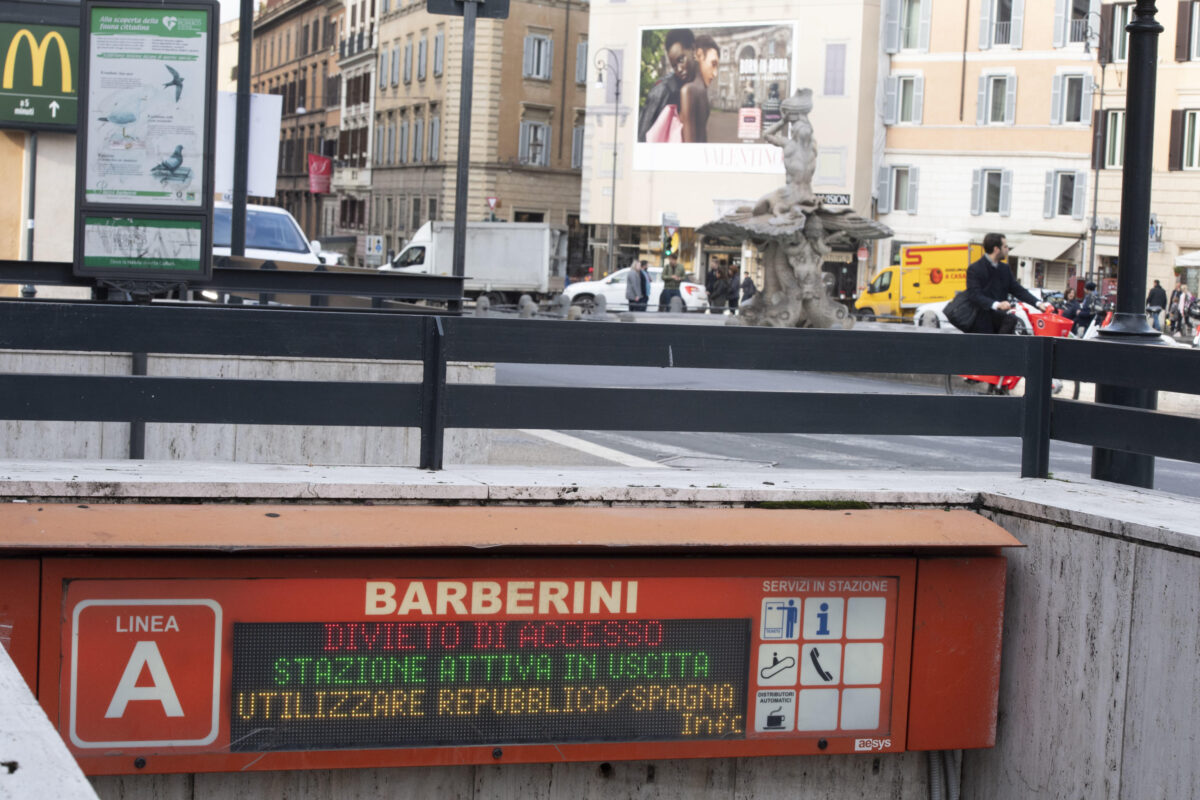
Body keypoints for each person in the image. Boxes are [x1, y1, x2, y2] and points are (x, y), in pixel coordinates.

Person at [965, 233, 1051, 334]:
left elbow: (1018, 290)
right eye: (1005, 246)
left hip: (1001, 322)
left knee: (1010, 326)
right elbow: (974, 295)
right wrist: (997, 305)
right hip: (981, 324)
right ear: (996, 249)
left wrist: (1038, 303)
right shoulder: (975, 269)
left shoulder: (1004, 268)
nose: (1007, 249)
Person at [637, 29, 695, 143]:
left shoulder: (693, 85)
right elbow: (642, 134)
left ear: (693, 49)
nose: (679, 69)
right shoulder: (663, 90)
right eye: (674, 65)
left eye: (681, 60)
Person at [680, 35, 719, 143]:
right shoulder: (691, 91)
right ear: (699, 54)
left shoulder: (691, 90)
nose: (715, 73)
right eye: (713, 64)